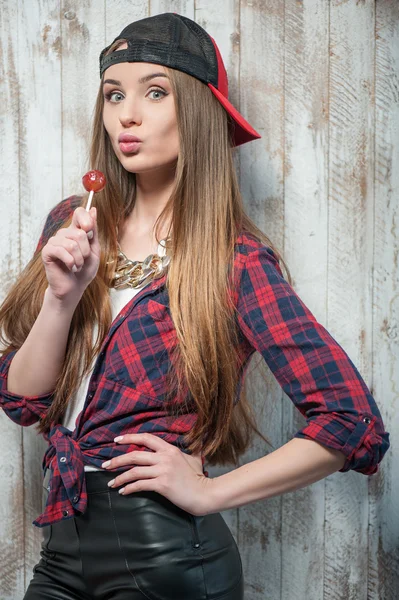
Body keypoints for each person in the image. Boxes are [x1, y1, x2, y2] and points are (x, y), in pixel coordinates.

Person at [0, 12, 390, 600]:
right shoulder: (73, 225)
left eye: (155, 92)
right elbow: (25, 402)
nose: (125, 114)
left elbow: (350, 420)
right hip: (63, 548)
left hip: (166, 558)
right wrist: (62, 299)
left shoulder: (234, 260)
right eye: (114, 94)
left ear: (198, 109)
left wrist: (210, 493)